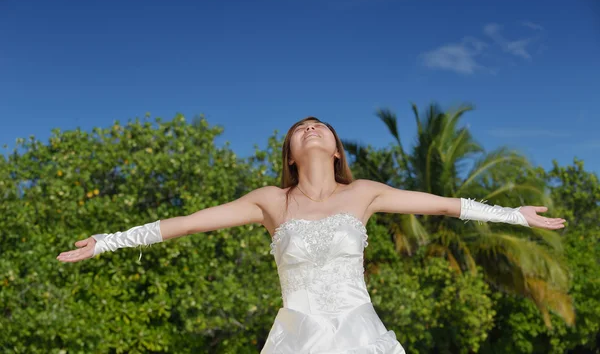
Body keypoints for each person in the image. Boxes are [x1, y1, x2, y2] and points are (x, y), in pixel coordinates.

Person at [57, 116, 566, 353]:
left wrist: (517, 217)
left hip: (360, 332)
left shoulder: (364, 192)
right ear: (290, 154)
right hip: (297, 337)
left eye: (320, 126)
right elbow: (186, 223)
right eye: (301, 129)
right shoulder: (269, 201)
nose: (311, 129)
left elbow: (446, 206)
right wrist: (108, 241)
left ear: (337, 150)